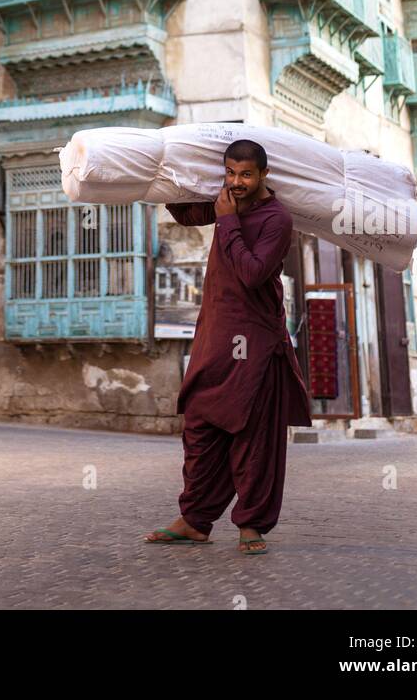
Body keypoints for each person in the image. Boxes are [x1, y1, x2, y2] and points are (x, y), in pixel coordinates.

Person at [144, 138, 312, 553]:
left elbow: (252, 273)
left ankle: (251, 525)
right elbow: (184, 212)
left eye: (246, 175)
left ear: (263, 175)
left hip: (255, 338)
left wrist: (227, 222)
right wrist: (170, 176)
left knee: (253, 433)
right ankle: (195, 520)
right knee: (200, 425)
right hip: (215, 334)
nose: (236, 183)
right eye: (230, 173)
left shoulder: (277, 219)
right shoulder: (224, 200)